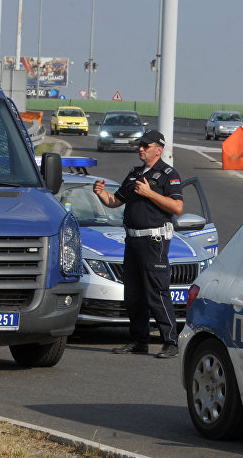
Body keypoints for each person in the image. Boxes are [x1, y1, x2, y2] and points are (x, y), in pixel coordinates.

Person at [93, 130, 184, 358]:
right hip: (132, 240)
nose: (140, 149)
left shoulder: (167, 174)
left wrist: (150, 193)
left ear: (158, 149)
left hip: (154, 240)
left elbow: (177, 208)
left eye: (146, 145)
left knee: (156, 292)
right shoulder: (134, 173)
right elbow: (116, 201)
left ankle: (170, 341)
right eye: (140, 145)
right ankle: (138, 340)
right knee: (133, 294)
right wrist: (102, 194)